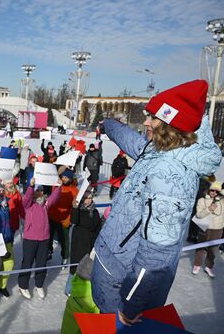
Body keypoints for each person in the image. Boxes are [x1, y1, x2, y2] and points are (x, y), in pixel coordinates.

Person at [91, 80, 222, 326]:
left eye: (153, 118)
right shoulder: (164, 150)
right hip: (116, 267)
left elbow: (156, 256)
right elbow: (136, 144)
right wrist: (109, 126)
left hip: (123, 288)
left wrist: (130, 306)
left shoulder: (169, 173)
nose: (146, 122)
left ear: (170, 124)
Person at [18, 177, 61, 300]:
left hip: (44, 238)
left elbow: (54, 198)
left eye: (41, 190)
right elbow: (25, 199)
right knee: (27, 262)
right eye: (37, 190)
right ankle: (23, 285)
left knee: (41, 263)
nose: (39, 193)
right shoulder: (28, 204)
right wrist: (31, 186)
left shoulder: (46, 204)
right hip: (30, 238)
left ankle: (39, 284)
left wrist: (58, 187)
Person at [0, 179, 23, 298]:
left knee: (9, 263)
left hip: (8, 237)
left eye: (2, 190)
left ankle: (1, 285)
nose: (1, 192)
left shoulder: (6, 203)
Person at [66, 189, 101, 296]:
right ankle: (69, 289)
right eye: (85, 198)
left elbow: (97, 227)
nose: (87, 200)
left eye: (89, 198)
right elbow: (74, 220)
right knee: (75, 267)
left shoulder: (94, 211)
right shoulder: (79, 210)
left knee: (86, 268)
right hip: (79, 242)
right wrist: (75, 207)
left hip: (90, 243)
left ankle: (81, 291)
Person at [192, 181, 223, 278]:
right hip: (204, 227)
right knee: (200, 248)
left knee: (212, 250)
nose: (214, 192)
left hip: (217, 229)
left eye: (217, 191)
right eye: (212, 190)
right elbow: (199, 215)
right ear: (209, 190)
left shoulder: (222, 201)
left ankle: (209, 267)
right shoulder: (202, 200)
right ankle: (197, 265)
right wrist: (209, 209)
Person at [47, 169, 77, 265]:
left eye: (66, 177)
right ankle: (49, 251)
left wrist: (69, 219)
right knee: (48, 236)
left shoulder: (74, 191)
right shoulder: (57, 186)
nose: (63, 179)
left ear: (71, 179)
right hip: (51, 216)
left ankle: (65, 256)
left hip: (64, 219)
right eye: (63, 177)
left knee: (64, 240)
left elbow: (74, 207)